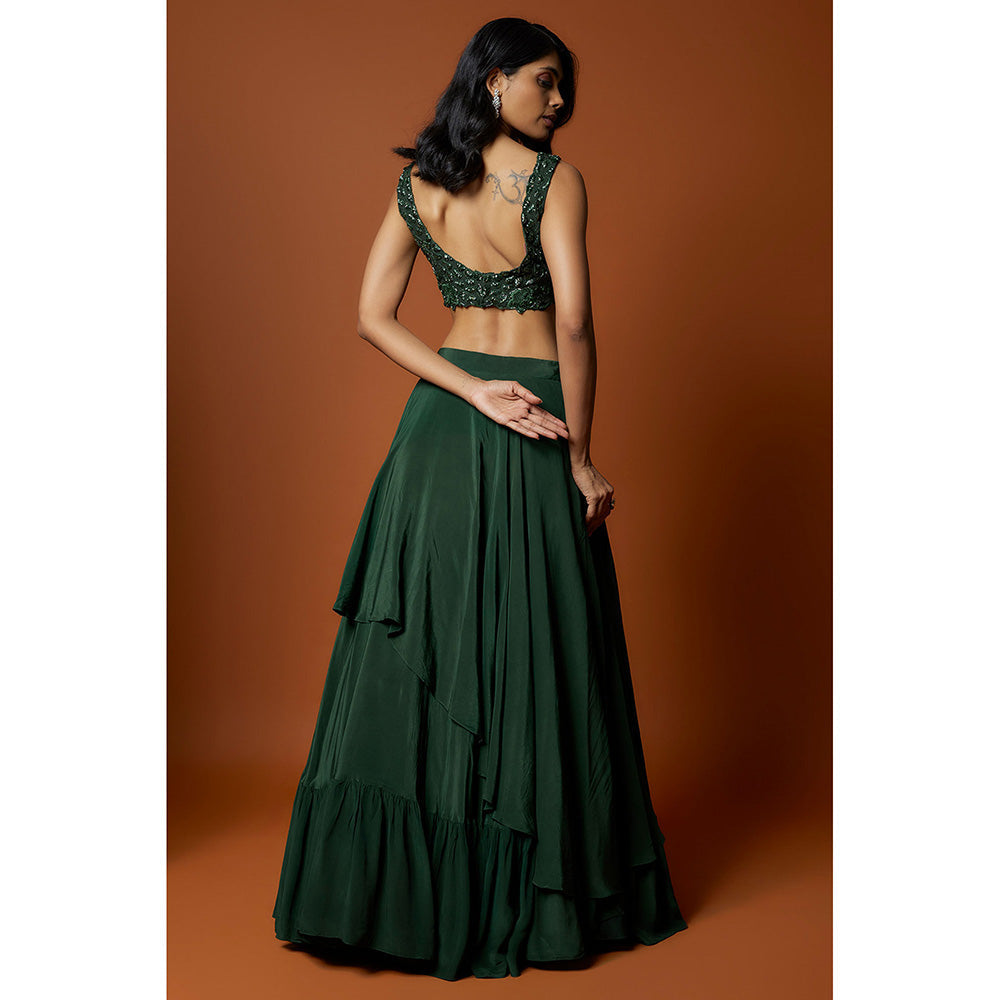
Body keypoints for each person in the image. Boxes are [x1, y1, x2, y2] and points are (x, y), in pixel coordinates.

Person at [272, 17, 688, 981]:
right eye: (546, 81)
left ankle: (398, 902)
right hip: (535, 417)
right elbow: (573, 320)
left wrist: (466, 390)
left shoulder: (421, 182)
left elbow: (372, 317)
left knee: (430, 650)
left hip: (440, 426)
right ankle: (537, 895)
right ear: (493, 80)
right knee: (540, 648)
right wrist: (580, 454)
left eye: (564, 86)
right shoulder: (554, 180)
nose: (560, 102)